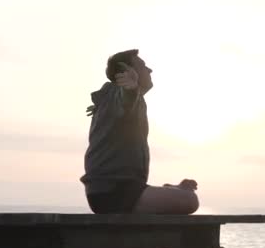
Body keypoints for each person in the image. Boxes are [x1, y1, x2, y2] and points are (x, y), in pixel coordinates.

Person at [80, 49, 199, 214]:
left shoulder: (115, 98)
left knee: (186, 199)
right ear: (126, 72)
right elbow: (124, 103)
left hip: (122, 189)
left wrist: (131, 92)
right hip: (113, 192)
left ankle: (173, 190)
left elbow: (123, 106)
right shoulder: (117, 95)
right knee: (190, 201)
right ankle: (177, 192)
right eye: (143, 66)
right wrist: (129, 90)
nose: (150, 70)